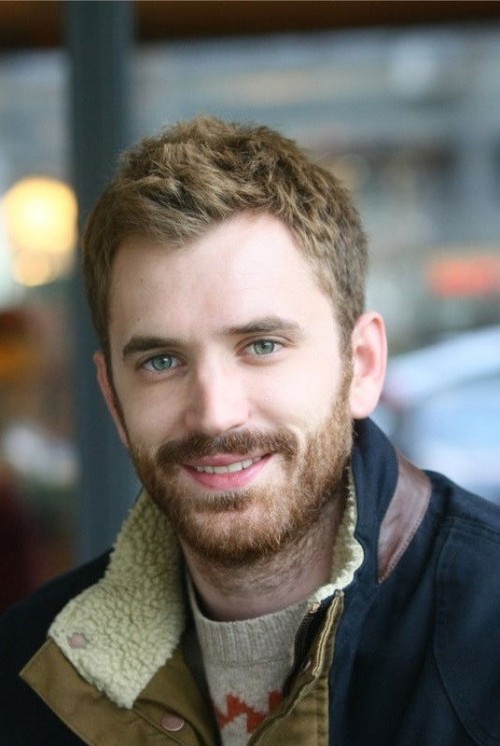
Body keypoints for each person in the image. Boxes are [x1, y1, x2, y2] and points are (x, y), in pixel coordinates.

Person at [1, 117, 499, 746]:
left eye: (261, 345)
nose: (215, 413)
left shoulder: (487, 632)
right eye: (161, 361)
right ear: (113, 399)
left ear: (363, 366)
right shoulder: (28, 676)